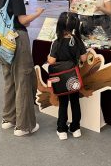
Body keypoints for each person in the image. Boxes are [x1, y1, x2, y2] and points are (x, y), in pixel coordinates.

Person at [0, 0, 45, 136]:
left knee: (9, 79)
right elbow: (22, 20)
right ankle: (24, 126)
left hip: (2, 39)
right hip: (17, 39)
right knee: (23, 79)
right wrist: (37, 14)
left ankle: (8, 118)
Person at [47, 12, 87, 140]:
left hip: (61, 79)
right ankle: (76, 128)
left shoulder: (57, 42)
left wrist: (48, 57)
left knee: (63, 103)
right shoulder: (77, 40)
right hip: (73, 77)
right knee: (75, 102)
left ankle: (62, 129)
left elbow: (52, 61)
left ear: (59, 25)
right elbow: (84, 58)